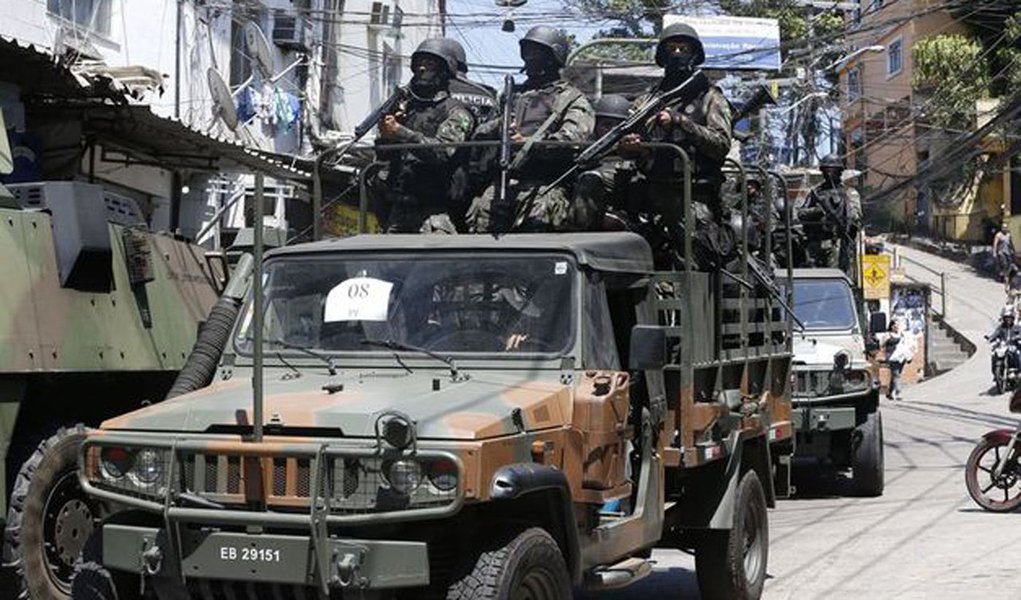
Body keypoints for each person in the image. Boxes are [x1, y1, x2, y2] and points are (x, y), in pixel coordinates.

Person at [615, 22, 733, 269]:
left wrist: (681, 122)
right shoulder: (648, 100)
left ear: (694, 54)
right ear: (662, 54)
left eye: (683, 48)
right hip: (650, 192)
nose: (677, 53)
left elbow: (721, 144)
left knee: (692, 262)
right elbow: (627, 139)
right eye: (671, 48)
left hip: (693, 195)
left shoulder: (710, 97)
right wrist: (629, 146)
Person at [466, 25, 595, 233]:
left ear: (554, 55)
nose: (531, 58)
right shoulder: (512, 96)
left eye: (538, 52)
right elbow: (480, 134)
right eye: (528, 52)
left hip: (545, 185)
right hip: (502, 183)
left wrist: (528, 144)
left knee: (536, 228)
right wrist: (500, 126)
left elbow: (573, 140)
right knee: (480, 225)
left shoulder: (572, 98)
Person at [373, 38, 475, 233]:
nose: (421, 68)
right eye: (418, 63)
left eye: (429, 64)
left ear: (444, 70)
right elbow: (384, 157)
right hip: (400, 208)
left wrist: (400, 133)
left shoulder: (457, 111)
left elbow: (442, 152)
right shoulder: (408, 110)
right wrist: (387, 136)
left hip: (437, 211)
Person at [572, 94, 634, 230]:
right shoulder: (585, 151)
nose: (612, 130)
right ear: (595, 126)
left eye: (618, 126)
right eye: (606, 125)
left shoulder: (634, 151)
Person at [798, 154, 862, 278]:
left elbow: (856, 216)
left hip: (837, 243)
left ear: (839, 172)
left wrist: (843, 217)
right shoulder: (816, 192)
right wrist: (816, 211)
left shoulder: (849, 193)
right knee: (813, 279)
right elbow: (801, 213)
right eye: (827, 170)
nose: (829, 173)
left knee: (834, 277)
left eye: (833, 170)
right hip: (816, 243)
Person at [880, 320, 914, 401]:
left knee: (896, 375)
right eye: (895, 325)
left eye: (898, 325)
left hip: (901, 357)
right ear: (891, 326)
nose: (897, 327)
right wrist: (888, 341)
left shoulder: (901, 334)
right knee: (896, 375)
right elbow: (882, 345)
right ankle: (898, 393)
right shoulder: (887, 335)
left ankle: (890, 392)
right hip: (892, 357)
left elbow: (906, 344)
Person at [993, 222, 1016, 292]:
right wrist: (994, 252)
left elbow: (1011, 244)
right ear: (1001, 228)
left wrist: (1014, 251)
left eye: (1006, 227)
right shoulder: (998, 235)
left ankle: (1004, 276)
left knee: (1010, 267)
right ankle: (1006, 283)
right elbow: (995, 244)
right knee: (1005, 267)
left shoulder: (1009, 235)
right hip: (1002, 254)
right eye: (1004, 227)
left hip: (1008, 253)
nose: (1005, 229)